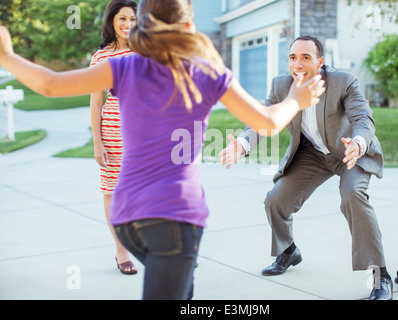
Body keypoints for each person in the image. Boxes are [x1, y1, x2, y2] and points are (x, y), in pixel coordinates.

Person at [0, 0, 325, 300]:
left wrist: (7, 56)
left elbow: (50, 84)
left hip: (127, 219)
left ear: (142, 25)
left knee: (183, 289)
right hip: (173, 219)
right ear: (188, 27)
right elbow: (267, 123)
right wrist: (297, 99)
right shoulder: (207, 73)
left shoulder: (124, 67)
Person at [219, 35, 393, 300]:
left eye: (305, 57)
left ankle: (380, 276)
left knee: (353, 196)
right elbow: (260, 121)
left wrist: (358, 143)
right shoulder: (281, 86)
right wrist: (241, 145)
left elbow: (363, 119)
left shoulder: (343, 82)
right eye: (292, 57)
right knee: (275, 201)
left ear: (320, 62)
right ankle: (288, 252)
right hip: (312, 153)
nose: (297, 64)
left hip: (349, 152)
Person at [89, 0, 138, 275]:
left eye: (132, 19)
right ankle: (121, 250)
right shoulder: (101, 58)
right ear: (112, 21)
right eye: (122, 19)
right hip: (113, 135)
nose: (127, 24)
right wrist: (98, 142)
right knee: (112, 192)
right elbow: (96, 104)